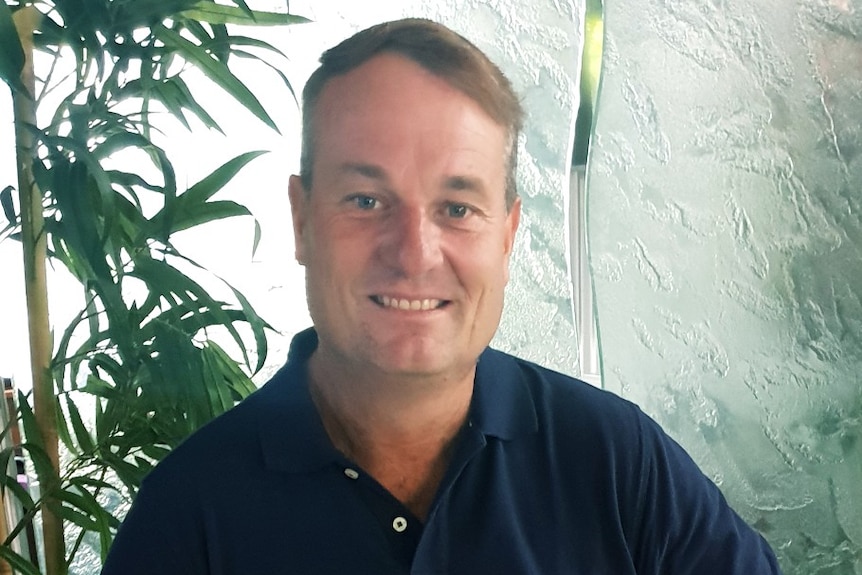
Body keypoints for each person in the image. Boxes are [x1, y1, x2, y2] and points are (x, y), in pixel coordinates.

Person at [101, 18, 783, 574]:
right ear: (302, 219)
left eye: (457, 207)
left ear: (508, 235)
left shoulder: (617, 463)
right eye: (366, 200)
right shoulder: (188, 518)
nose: (415, 252)